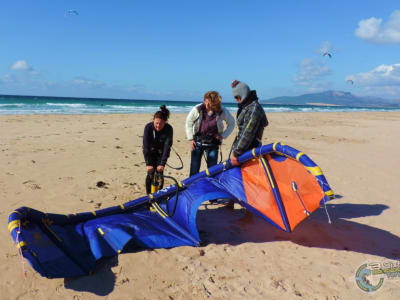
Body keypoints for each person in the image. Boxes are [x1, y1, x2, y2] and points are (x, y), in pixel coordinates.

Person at [228, 80, 268, 213]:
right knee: (234, 176)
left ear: (244, 94)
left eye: (238, 97)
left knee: (249, 181)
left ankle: (250, 212)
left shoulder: (254, 108)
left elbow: (247, 133)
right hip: (241, 147)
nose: (236, 100)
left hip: (250, 150)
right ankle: (231, 202)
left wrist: (236, 152)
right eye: (235, 98)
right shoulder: (246, 105)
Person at [186, 91, 235, 177]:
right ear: (205, 100)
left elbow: (232, 123)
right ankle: (191, 188)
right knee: (194, 171)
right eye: (207, 102)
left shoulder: (222, 111)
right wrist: (190, 139)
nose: (208, 105)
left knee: (212, 171)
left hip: (213, 144)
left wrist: (223, 136)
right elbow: (188, 122)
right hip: (197, 143)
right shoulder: (198, 109)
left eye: (211, 103)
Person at [142, 105, 173, 194]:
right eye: (156, 123)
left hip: (161, 153)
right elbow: (145, 146)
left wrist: (162, 163)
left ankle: (158, 195)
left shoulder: (169, 129)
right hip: (150, 152)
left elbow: (167, 147)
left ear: (165, 122)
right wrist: (148, 163)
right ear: (153, 121)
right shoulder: (148, 127)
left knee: (159, 174)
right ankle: (149, 196)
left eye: (161, 123)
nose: (158, 126)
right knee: (150, 174)